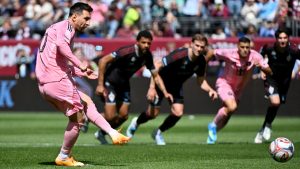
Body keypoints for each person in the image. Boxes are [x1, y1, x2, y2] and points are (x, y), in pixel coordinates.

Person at [35, 2, 130, 167]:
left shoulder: (55, 28)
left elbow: (57, 60)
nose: (88, 22)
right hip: (56, 80)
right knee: (79, 119)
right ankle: (64, 156)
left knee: (86, 102)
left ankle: (112, 132)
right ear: (74, 17)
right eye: (86, 18)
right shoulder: (67, 28)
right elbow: (62, 47)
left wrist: (81, 72)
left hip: (46, 84)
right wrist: (80, 64)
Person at [126, 34, 218, 145]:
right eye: (197, 45)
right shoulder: (180, 54)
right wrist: (152, 87)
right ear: (191, 44)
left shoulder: (201, 61)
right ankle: (136, 122)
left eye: (202, 47)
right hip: (160, 83)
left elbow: (201, 80)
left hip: (176, 86)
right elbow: (157, 65)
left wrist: (210, 90)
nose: (199, 49)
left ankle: (158, 132)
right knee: (152, 114)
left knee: (178, 113)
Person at [94, 30, 173, 144]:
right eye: (143, 42)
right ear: (137, 42)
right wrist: (100, 85)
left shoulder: (147, 55)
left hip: (124, 84)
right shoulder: (126, 51)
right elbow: (102, 61)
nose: (146, 45)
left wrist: (165, 93)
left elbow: (155, 75)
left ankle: (101, 133)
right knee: (110, 117)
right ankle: (89, 118)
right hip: (110, 82)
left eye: (149, 43)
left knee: (123, 116)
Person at [206, 37, 273, 144]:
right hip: (224, 83)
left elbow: (269, 71)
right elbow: (212, 52)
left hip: (238, 89)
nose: (245, 49)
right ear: (238, 47)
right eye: (242, 47)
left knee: (228, 114)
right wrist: (202, 68)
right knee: (232, 106)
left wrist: (261, 67)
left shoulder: (255, 56)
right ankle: (212, 125)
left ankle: (212, 134)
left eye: (247, 47)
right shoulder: (229, 53)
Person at [254, 29, 300, 143]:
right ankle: (267, 126)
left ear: (288, 38)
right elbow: (259, 57)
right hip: (271, 79)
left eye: (285, 38)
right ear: (276, 39)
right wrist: (262, 69)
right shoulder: (269, 48)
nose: (282, 40)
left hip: (285, 82)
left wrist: (296, 71)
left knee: (276, 105)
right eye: (280, 38)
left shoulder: (294, 50)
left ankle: (263, 129)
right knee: (275, 102)